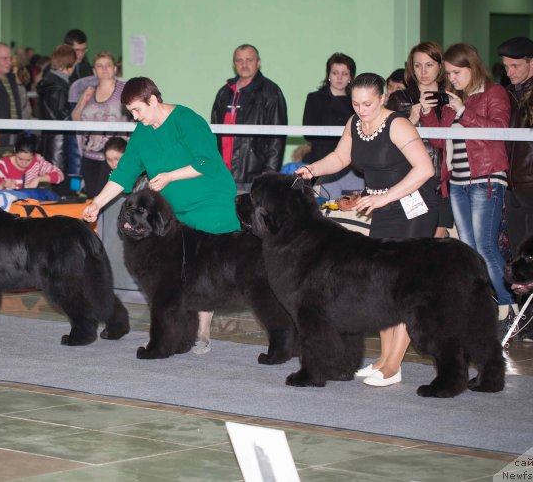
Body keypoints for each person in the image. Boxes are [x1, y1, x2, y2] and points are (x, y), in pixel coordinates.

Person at [296, 73, 437, 387]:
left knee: (400, 287)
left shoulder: (398, 124)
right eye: (356, 103)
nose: (361, 109)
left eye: (368, 103)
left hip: (413, 208)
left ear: (383, 98)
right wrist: (313, 169)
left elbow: (425, 168)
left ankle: (393, 366)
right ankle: (384, 360)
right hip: (382, 207)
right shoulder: (354, 124)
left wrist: (386, 195)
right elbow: (340, 157)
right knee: (381, 286)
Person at [83, 77, 240, 354]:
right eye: (131, 112)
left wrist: (169, 176)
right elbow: (124, 173)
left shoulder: (186, 120)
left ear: (153, 100)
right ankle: (174, 333)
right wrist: (97, 203)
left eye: (137, 110)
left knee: (201, 270)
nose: (135, 117)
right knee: (174, 276)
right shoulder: (143, 133)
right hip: (174, 212)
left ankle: (202, 330)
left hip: (211, 202)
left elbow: (207, 161)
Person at [419, 42, 516, 337]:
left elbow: (499, 129)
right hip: (458, 181)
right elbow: (440, 142)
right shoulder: (455, 99)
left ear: (472, 68)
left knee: (486, 247)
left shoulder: (494, 93)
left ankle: (510, 307)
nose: (452, 79)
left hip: (485, 177)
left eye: (456, 72)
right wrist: (426, 115)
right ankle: (487, 309)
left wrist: (463, 111)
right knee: (469, 249)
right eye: (448, 73)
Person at [498, 37, 533, 340]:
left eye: (516, 66)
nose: (510, 72)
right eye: (506, 67)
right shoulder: (507, 93)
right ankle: (525, 321)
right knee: (519, 255)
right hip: (514, 182)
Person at [387, 41, 454, 238]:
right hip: (410, 180)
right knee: (411, 243)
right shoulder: (400, 98)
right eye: (417, 65)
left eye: (429, 65)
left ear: (440, 66)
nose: (423, 71)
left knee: (435, 243)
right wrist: (411, 121)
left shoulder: (452, 98)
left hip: (445, 183)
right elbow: (385, 144)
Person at [211, 44, 288, 191]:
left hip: (254, 178)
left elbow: (277, 139)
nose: (244, 64)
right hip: (222, 175)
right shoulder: (224, 93)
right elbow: (213, 134)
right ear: (234, 64)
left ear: (258, 62)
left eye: (249, 60)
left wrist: (268, 177)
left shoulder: (271, 92)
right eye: (239, 60)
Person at [301, 52, 362, 198]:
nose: (339, 78)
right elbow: (308, 133)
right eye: (335, 73)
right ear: (328, 75)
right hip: (320, 162)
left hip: (351, 165)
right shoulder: (314, 98)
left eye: (344, 73)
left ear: (351, 77)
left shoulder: (357, 101)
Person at [71, 52, 128, 197]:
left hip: (114, 156)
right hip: (89, 155)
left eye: (108, 65)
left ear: (115, 68)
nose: (104, 68)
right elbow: (76, 118)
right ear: (94, 71)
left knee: (109, 199)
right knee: (92, 198)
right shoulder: (89, 91)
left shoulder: (125, 89)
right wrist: (83, 99)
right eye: (100, 66)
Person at [0, 133, 64, 198]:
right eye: (20, 159)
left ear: (34, 155)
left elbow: (60, 176)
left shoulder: (38, 161)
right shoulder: (2, 165)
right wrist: (2, 185)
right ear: (15, 151)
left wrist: (38, 179)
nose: (24, 163)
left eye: (28, 160)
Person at [36, 44, 75, 178]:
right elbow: (61, 117)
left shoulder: (48, 83)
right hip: (58, 144)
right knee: (58, 181)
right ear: (69, 66)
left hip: (49, 141)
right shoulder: (58, 87)